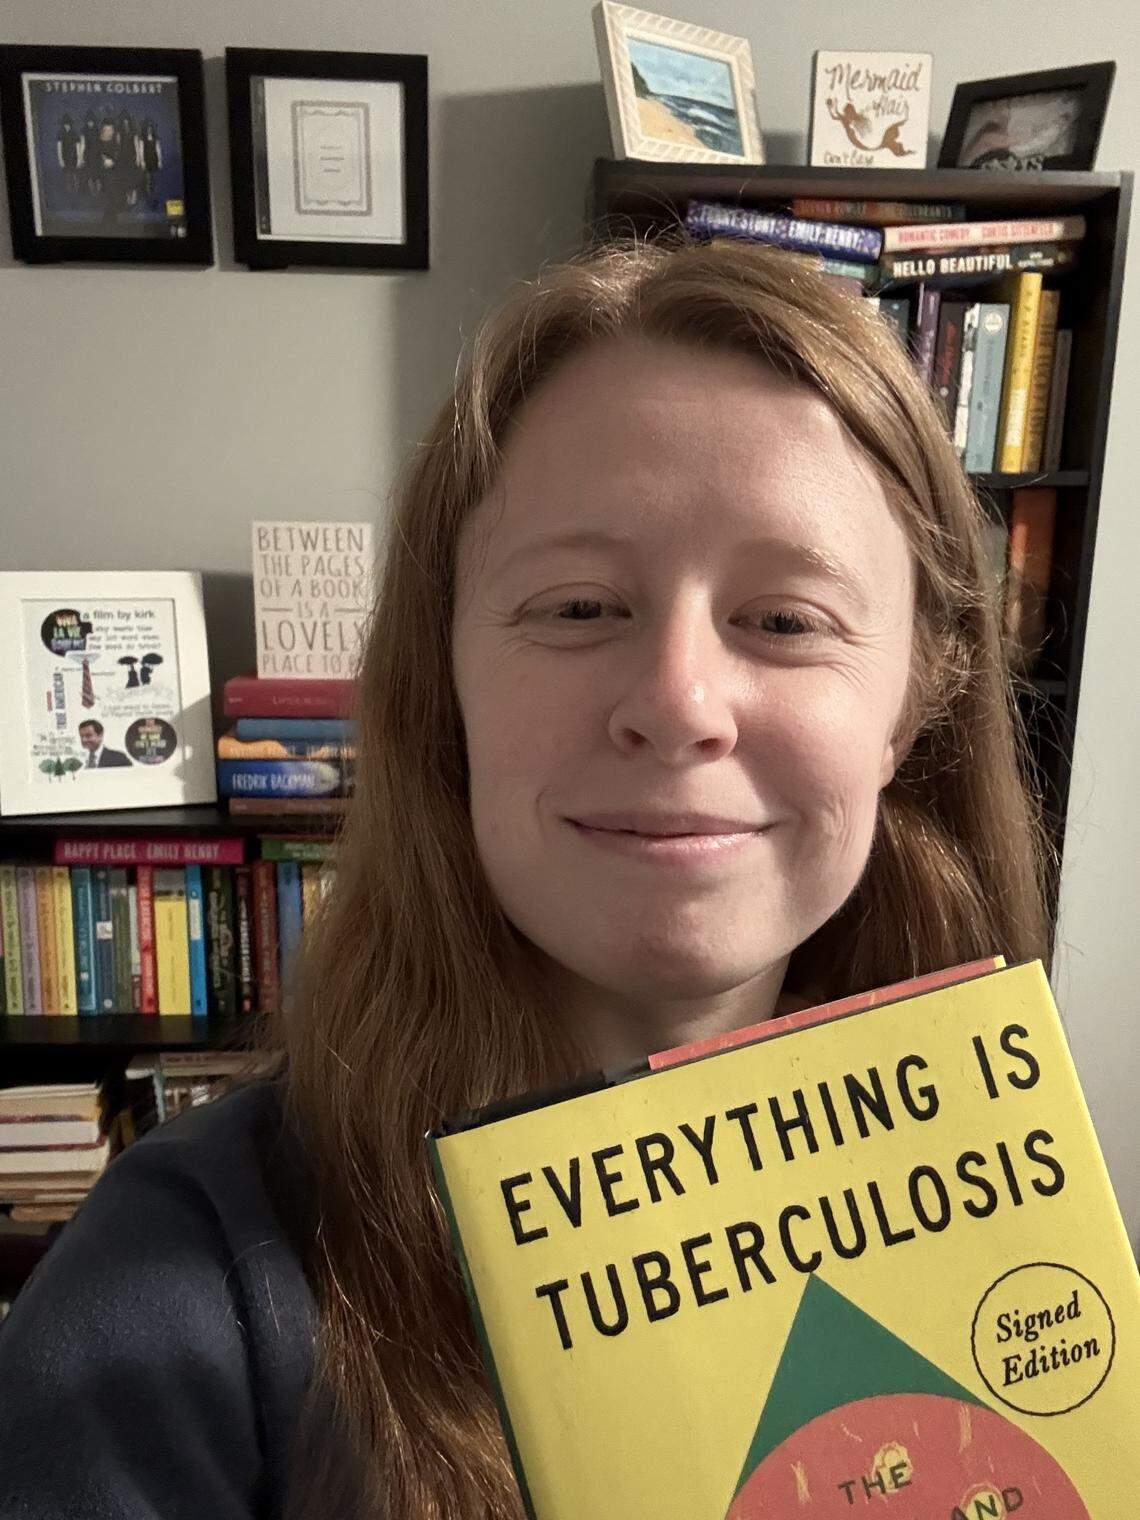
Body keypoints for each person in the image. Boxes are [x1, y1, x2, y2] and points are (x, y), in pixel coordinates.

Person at [0, 237, 1051, 1519]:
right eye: (575, 607)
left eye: (784, 620)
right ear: (442, 679)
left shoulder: (1027, 1223)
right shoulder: (174, 1297)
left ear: (915, 697)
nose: (678, 705)